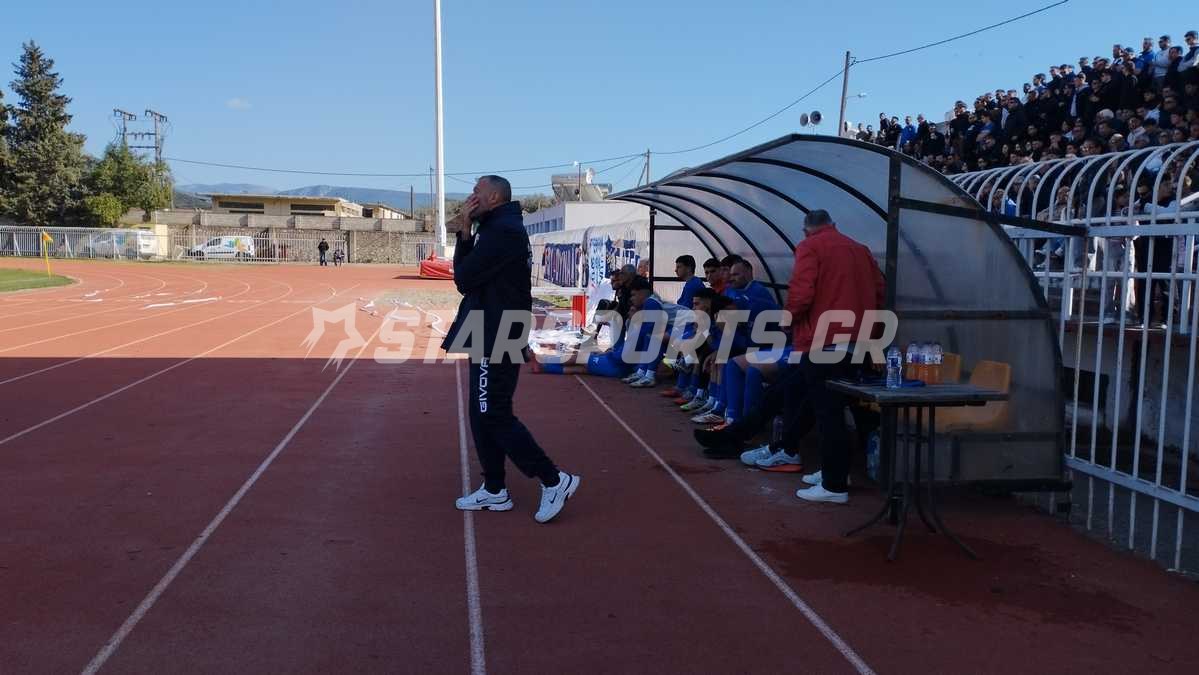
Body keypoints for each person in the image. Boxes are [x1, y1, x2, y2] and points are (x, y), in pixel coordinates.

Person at [443, 175, 580, 523]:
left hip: (497, 331)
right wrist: (468, 231)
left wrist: (464, 231)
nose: (470, 197)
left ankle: (554, 479)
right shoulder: (496, 227)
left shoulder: (503, 231)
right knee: (481, 412)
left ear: (493, 197)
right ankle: (494, 489)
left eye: (476, 192)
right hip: (488, 328)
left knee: (493, 412)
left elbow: (464, 278)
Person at [787, 209, 885, 504]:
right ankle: (836, 472)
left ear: (806, 230)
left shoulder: (809, 247)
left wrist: (788, 318)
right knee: (840, 410)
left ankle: (834, 486)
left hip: (824, 342)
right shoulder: (860, 249)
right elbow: (879, 293)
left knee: (828, 415)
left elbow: (802, 292)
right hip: (857, 343)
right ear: (834, 225)